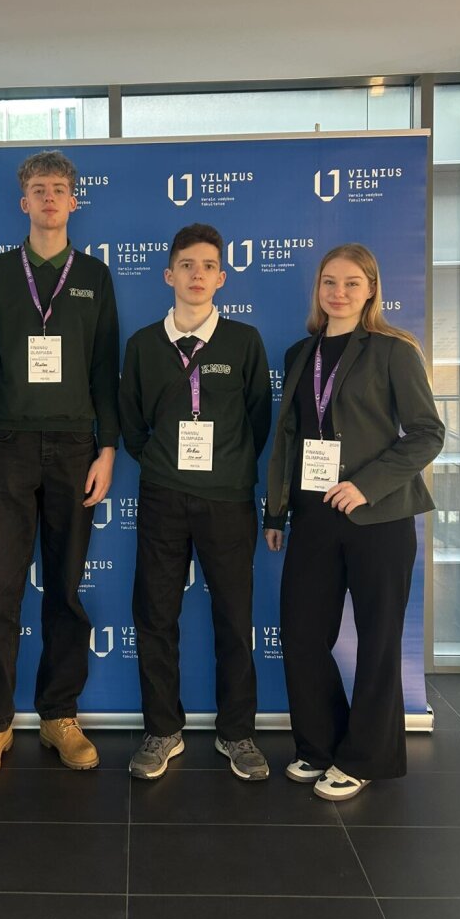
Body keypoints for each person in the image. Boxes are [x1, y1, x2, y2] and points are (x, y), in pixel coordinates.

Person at [264, 243, 444, 801]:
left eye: (351, 282)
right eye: (329, 281)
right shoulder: (300, 352)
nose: (338, 292)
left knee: (378, 639)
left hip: (379, 517)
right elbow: (291, 437)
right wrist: (276, 510)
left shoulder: (393, 349)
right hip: (313, 515)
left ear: (370, 290)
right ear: (317, 289)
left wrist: (366, 484)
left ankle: (365, 757)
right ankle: (320, 745)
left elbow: (427, 434)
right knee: (301, 632)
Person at [0, 149, 119, 781]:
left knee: (65, 590)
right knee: (1, 592)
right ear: (22, 201)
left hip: (77, 449)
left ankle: (59, 715)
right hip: (8, 448)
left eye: (59, 188)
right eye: (39, 188)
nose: (50, 197)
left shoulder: (95, 276)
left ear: (74, 200)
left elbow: (105, 368)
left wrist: (108, 448)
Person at [120, 223, 272, 780]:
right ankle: (163, 730)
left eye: (208, 266)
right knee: (155, 615)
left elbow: (258, 420)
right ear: (169, 275)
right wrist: (165, 461)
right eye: (186, 265)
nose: (197, 274)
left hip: (227, 499)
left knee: (234, 617)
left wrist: (226, 467)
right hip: (162, 495)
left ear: (222, 277)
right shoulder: (143, 345)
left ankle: (237, 733)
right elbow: (132, 423)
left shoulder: (244, 341)